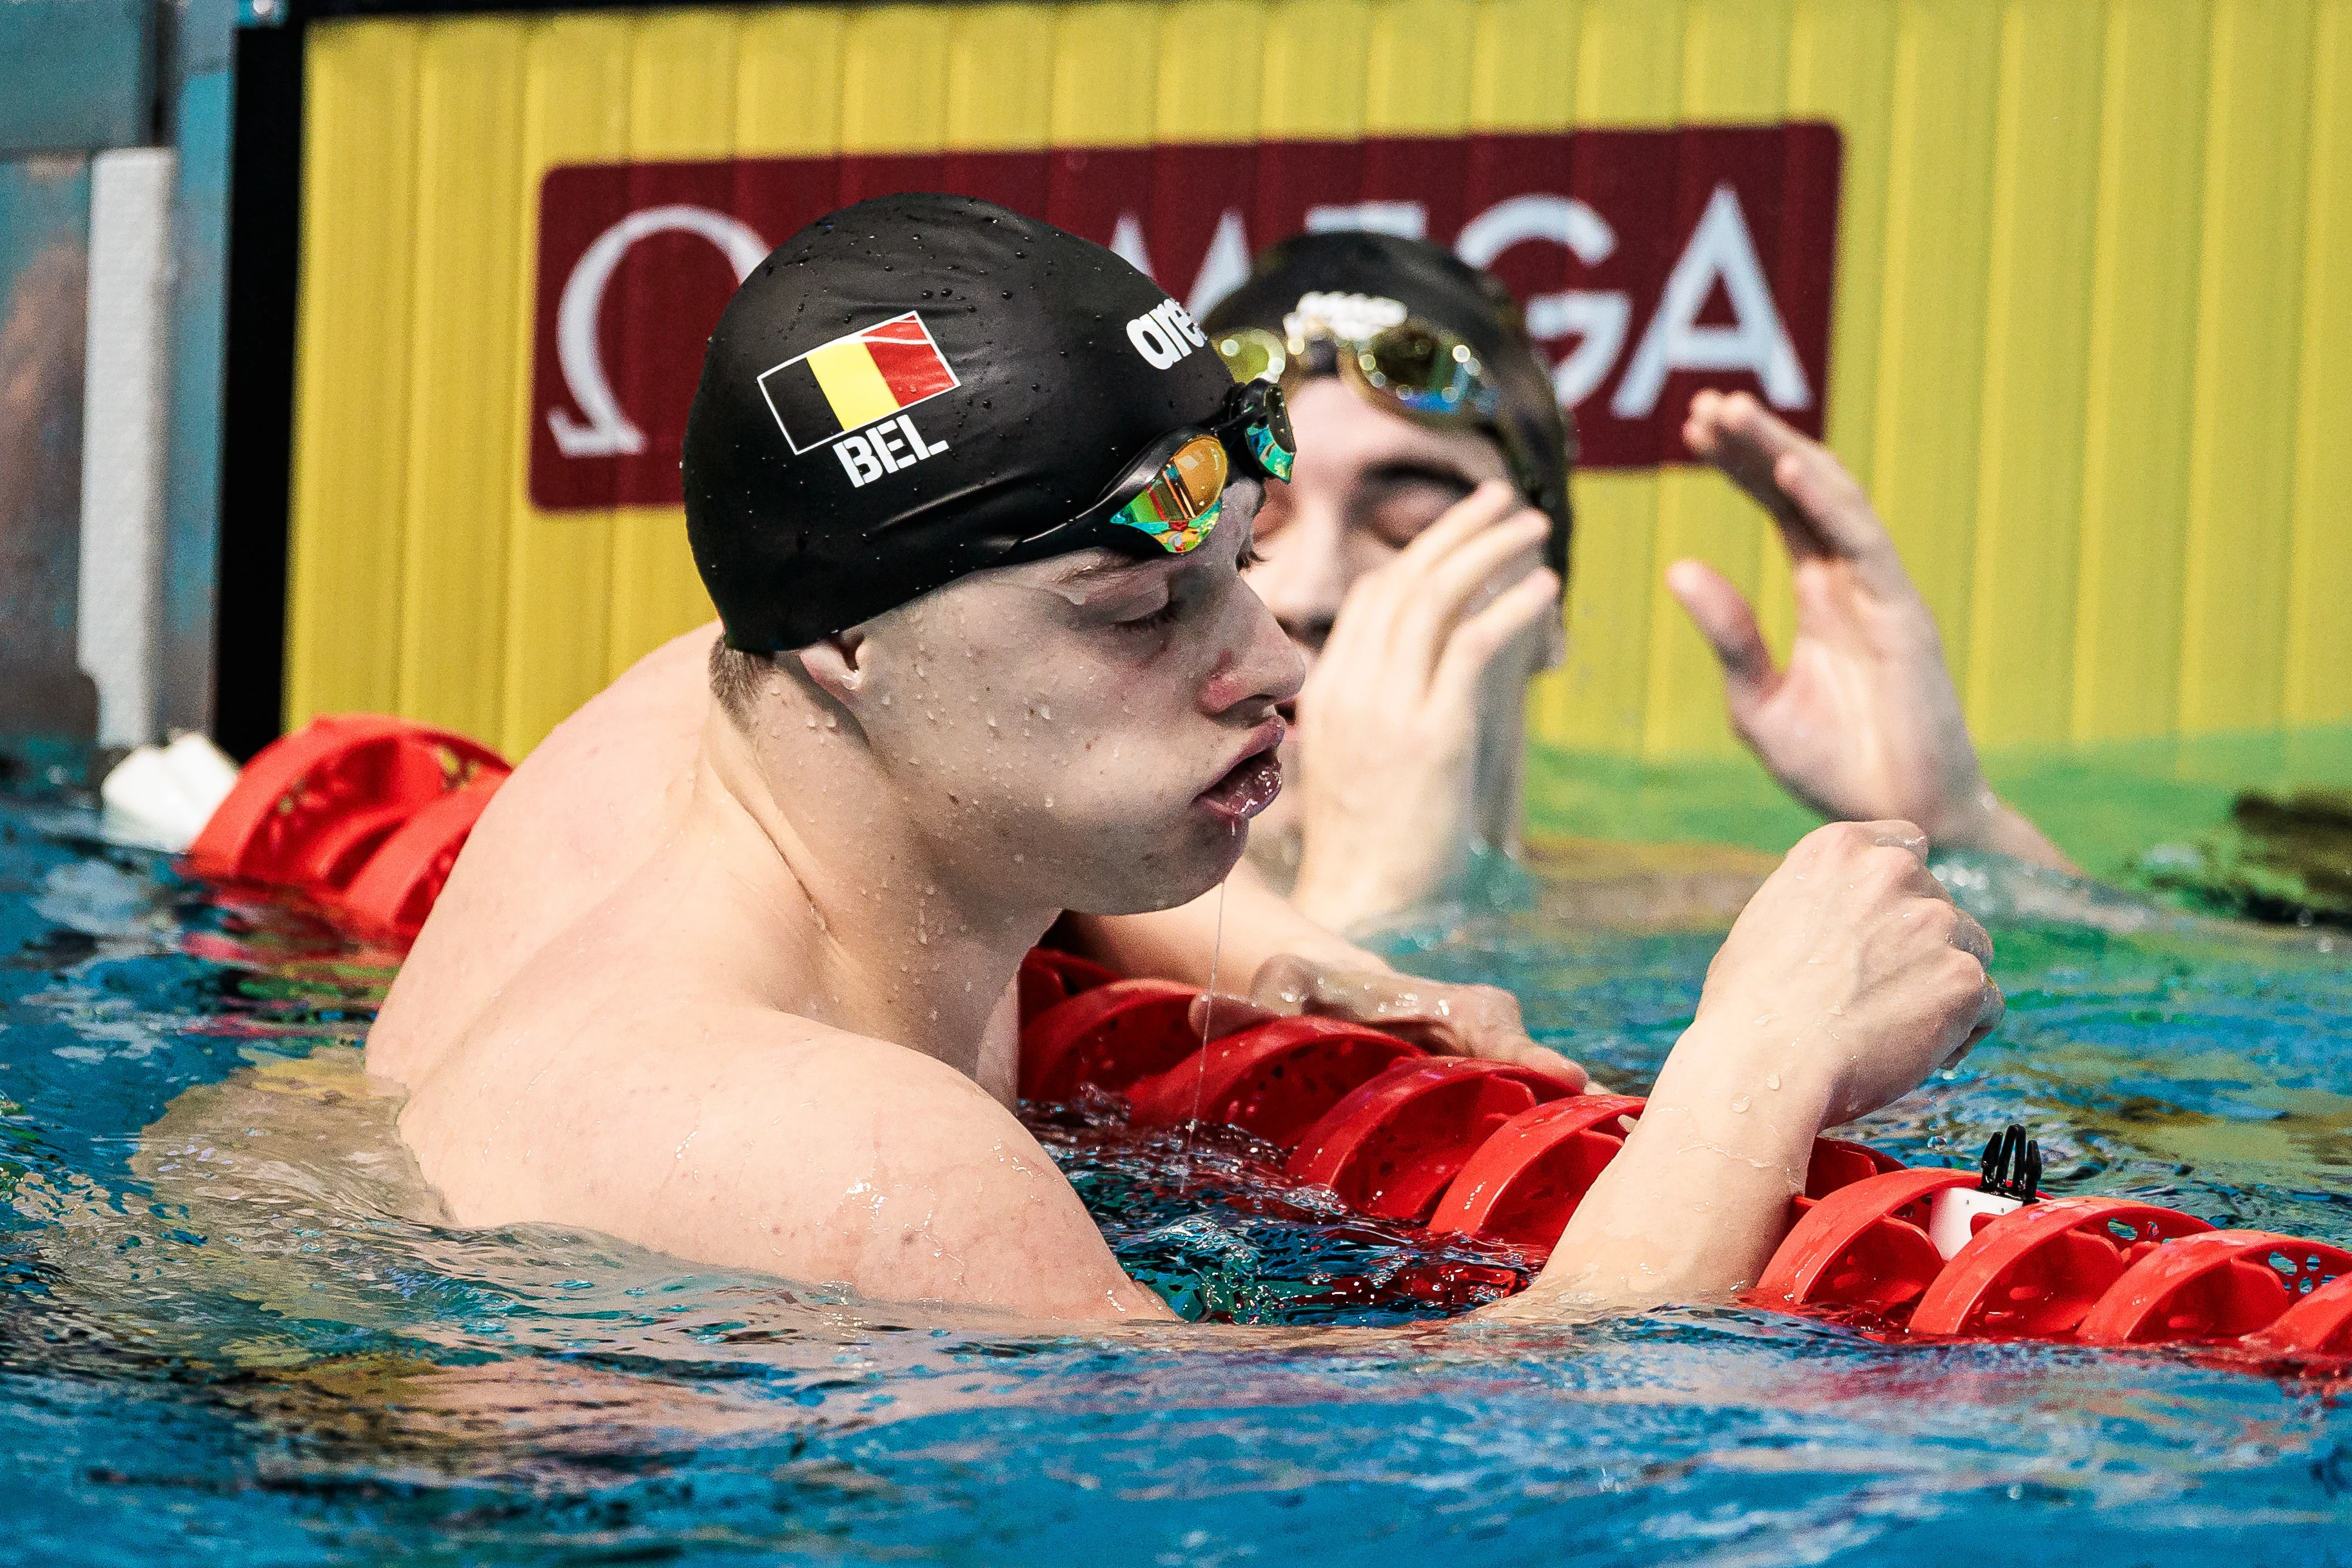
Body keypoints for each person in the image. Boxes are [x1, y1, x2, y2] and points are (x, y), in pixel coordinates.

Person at [368, 194, 2001, 1321]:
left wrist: (1302, 945)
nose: (1275, 658)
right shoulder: (864, 1156)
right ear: (851, 648)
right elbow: (1481, 1449)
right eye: (1141, 603)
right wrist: (1756, 1065)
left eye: (1240, 563)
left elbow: (970, 813)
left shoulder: (694, 718)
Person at [1197, 231, 2073, 931]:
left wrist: (1958, 833)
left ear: (1552, 609)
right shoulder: (1076, 939)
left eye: (1412, 530)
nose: (1309, 594)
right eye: (1252, 529)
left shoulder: (1706, 929)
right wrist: (1377, 904)